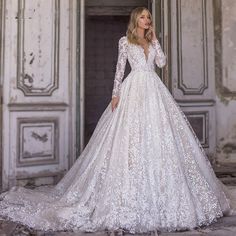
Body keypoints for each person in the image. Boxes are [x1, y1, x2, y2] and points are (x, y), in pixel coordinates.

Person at [0, 6, 235, 235]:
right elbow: (120, 69)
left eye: (149, 17)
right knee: (129, 137)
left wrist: (155, 41)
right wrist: (115, 94)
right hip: (133, 89)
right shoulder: (125, 41)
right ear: (136, 20)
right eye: (143, 17)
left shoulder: (152, 40)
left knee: (161, 137)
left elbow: (161, 64)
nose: (147, 20)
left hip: (154, 89)